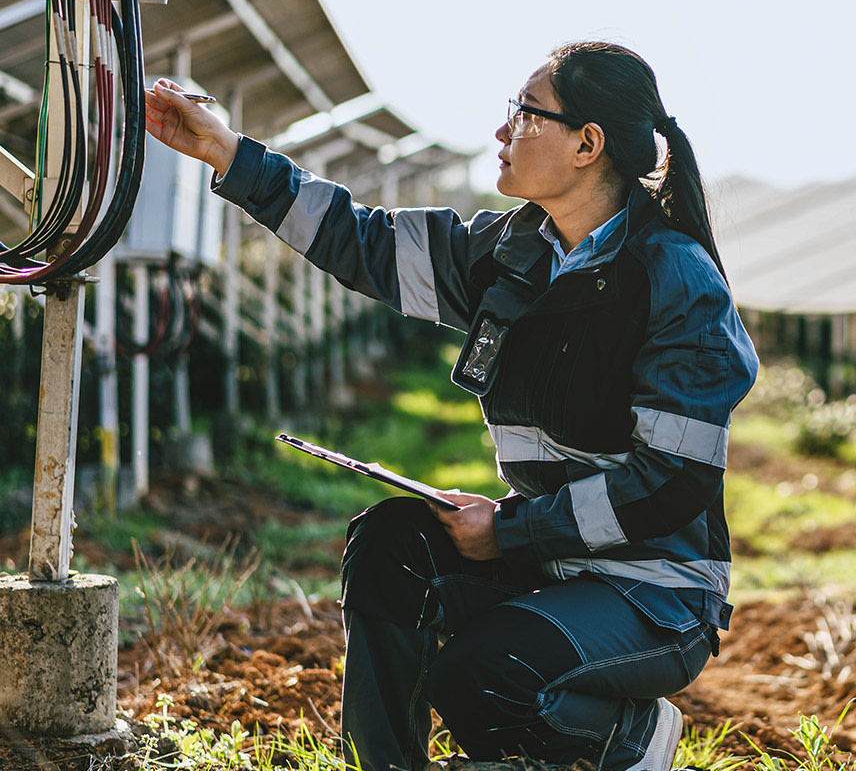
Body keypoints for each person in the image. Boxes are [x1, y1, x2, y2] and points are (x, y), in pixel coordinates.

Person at [144, 41, 759, 771]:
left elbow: (671, 481)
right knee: (390, 549)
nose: (503, 133)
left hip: (653, 591)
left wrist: (513, 532)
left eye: (524, 115)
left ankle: (622, 739)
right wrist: (229, 154)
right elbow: (359, 239)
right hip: (551, 558)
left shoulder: (673, 280)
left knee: (480, 676)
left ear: (587, 145)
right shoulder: (509, 251)